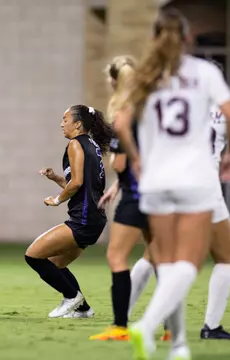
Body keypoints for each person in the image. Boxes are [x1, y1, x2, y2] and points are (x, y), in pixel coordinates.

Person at [114, 8, 230, 360]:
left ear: (153, 37)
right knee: (189, 263)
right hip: (195, 180)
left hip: (154, 181)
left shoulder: (145, 75)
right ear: (187, 38)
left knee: (166, 264)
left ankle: (180, 345)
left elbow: (121, 123)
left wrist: (137, 158)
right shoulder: (202, 72)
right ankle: (147, 324)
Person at [128, 90, 230, 342]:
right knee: (225, 257)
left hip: (168, 186)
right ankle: (209, 327)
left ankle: (121, 319)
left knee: (154, 255)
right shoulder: (225, 114)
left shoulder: (172, 110)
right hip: (203, 189)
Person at [25, 104, 113, 318]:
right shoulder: (90, 144)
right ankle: (83, 309)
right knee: (57, 264)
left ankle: (72, 297)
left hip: (83, 218)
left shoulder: (75, 144)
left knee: (33, 256)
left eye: (65, 119)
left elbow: (77, 184)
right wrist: (55, 177)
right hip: (94, 217)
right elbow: (78, 184)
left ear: (78, 124)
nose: (61, 124)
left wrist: (56, 200)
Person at [89, 56, 152, 341]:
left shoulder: (124, 114)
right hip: (158, 193)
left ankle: (120, 327)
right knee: (160, 259)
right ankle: (170, 330)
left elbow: (121, 164)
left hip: (138, 196)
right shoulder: (150, 109)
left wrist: (120, 176)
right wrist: (116, 186)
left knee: (117, 256)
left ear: (115, 81)